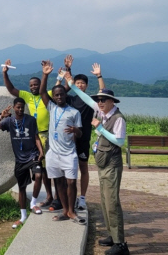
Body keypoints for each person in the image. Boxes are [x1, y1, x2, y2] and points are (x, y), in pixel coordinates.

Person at [65, 71, 129, 255]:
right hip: (103, 165)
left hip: (112, 165)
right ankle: (112, 235)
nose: (100, 103)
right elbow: (85, 98)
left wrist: (99, 128)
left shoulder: (118, 119)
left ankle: (121, 245)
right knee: (104, 201)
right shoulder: (103, 113)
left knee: (112, 203)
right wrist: (73, 85)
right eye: (99, 100)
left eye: (104, 100)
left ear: (112, 102)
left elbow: (119, 141)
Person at [2, 59, 60, 211]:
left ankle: (57, 198)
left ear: (40, 85)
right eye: (32, 85)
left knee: (51, 168)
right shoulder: (27, 96)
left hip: (47, 135)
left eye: (36, 84)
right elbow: (11, 89)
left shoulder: (46, 94)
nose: (34, 87)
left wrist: (66, 72)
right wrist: (5, 74)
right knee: (42, 169)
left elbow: (63, 89)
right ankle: (48, 196)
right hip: (33, 137)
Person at [57, 56, 106, 210]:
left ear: (86, 86)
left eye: (82, 83)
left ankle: (82, 198)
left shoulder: (91, 101)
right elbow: (57, 92)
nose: (80, 85)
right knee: (65, 169)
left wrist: (99, 76)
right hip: (68, 139)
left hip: (83, 139)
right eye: (77, 83)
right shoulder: (69, 99)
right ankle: (65, 197)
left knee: (83, 168)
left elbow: (103, 92)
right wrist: (65, 72)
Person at [39, 60, 84, 224]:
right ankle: (65, 211)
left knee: (71, 182)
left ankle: (72, 211)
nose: (59, 97)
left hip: (69, 153)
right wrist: (45, 74)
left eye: (61, 94)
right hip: (53, 154)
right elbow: (42, 91)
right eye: (56, 95)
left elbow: (80, 133)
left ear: (66, 94)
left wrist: (75, 131)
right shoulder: (51, 107)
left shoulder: (74, 112)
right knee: (58, 182)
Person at [0, 98, 44, 229]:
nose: (20, 109)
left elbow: (35, 137)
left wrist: (40, 151)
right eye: (18, 107)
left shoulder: (30, 120)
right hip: (20, 160)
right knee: (22, 188)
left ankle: (33, 203)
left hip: (33, 155)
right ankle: (23, 216)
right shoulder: (9, 121)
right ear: (13, 107)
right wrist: (1, 116)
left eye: (22, 107)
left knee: (39, 176)